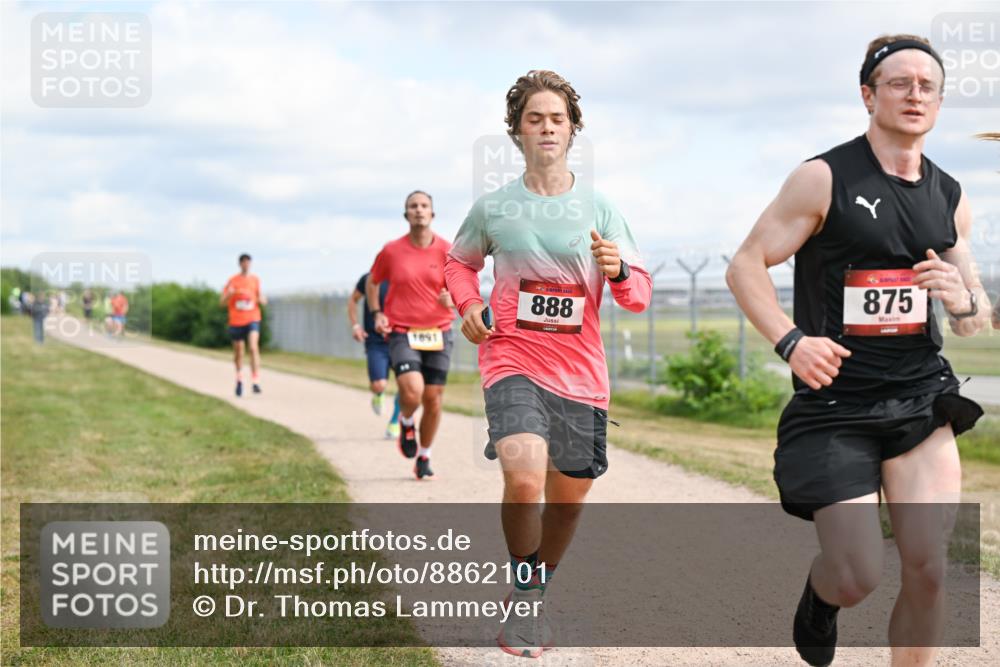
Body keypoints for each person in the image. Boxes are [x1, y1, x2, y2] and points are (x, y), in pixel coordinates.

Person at [726, 35, 991, 667]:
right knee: (856, 575)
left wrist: (961, 298)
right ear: (868, 95)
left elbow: (973, 321)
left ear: (940, 100)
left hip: (920, 397)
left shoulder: (950, 197)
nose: (914, 94)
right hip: (836, 403)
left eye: (927, 85)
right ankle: (823, 596)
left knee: (929, 568)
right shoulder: (824, 177)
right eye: (899, 83)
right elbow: (745, 265)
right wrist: (790, 341)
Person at [445, 69, 651, 658]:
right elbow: (458, 264)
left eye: (557, 119)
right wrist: (469, 302)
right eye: (534, 119)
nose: (546, 128)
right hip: (511, 358)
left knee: (566, 499)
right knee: (524, 473)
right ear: (516, 131)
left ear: (573, 129)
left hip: (581, 374)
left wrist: (616, 270)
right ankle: (527, 593)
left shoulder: (600, 207)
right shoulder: (494, 207)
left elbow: (638, 297)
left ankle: (537, 587)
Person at [368, 191, 455, 480]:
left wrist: (451, 299)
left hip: (439, 331)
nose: (419, 210)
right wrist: (377, 312)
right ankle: (406, 421)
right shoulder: (392, 251)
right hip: (403, 331)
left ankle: (424, 456)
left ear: (433, 213)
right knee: (413, 390)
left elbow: (462, 286)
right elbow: (372, 281)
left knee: (433, 398)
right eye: (413, 206)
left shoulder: (447, 250)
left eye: (424, 206)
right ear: (406, 214)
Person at [348, 272, 401, 438]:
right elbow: (353, 300)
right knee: (379, 384)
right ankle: (378, 394)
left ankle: (394, 422)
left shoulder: (405, 275)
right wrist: (356, 326)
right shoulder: (369, 278)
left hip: (401, 339)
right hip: (376, 341)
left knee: (408, 386)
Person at [221, 253, 266, 397]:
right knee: (239, 352)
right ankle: (239, 379)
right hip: (236, 320)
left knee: (253, 347)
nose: (246, 265)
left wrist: (262, 299)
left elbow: (261, 298)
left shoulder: (255, 280)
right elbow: (221, 302)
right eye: (244, 262)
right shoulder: (232, 281)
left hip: (252, 318)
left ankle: (255, 380)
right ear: (240, 264)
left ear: (250, 264)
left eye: (248, 262)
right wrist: (229, 294)